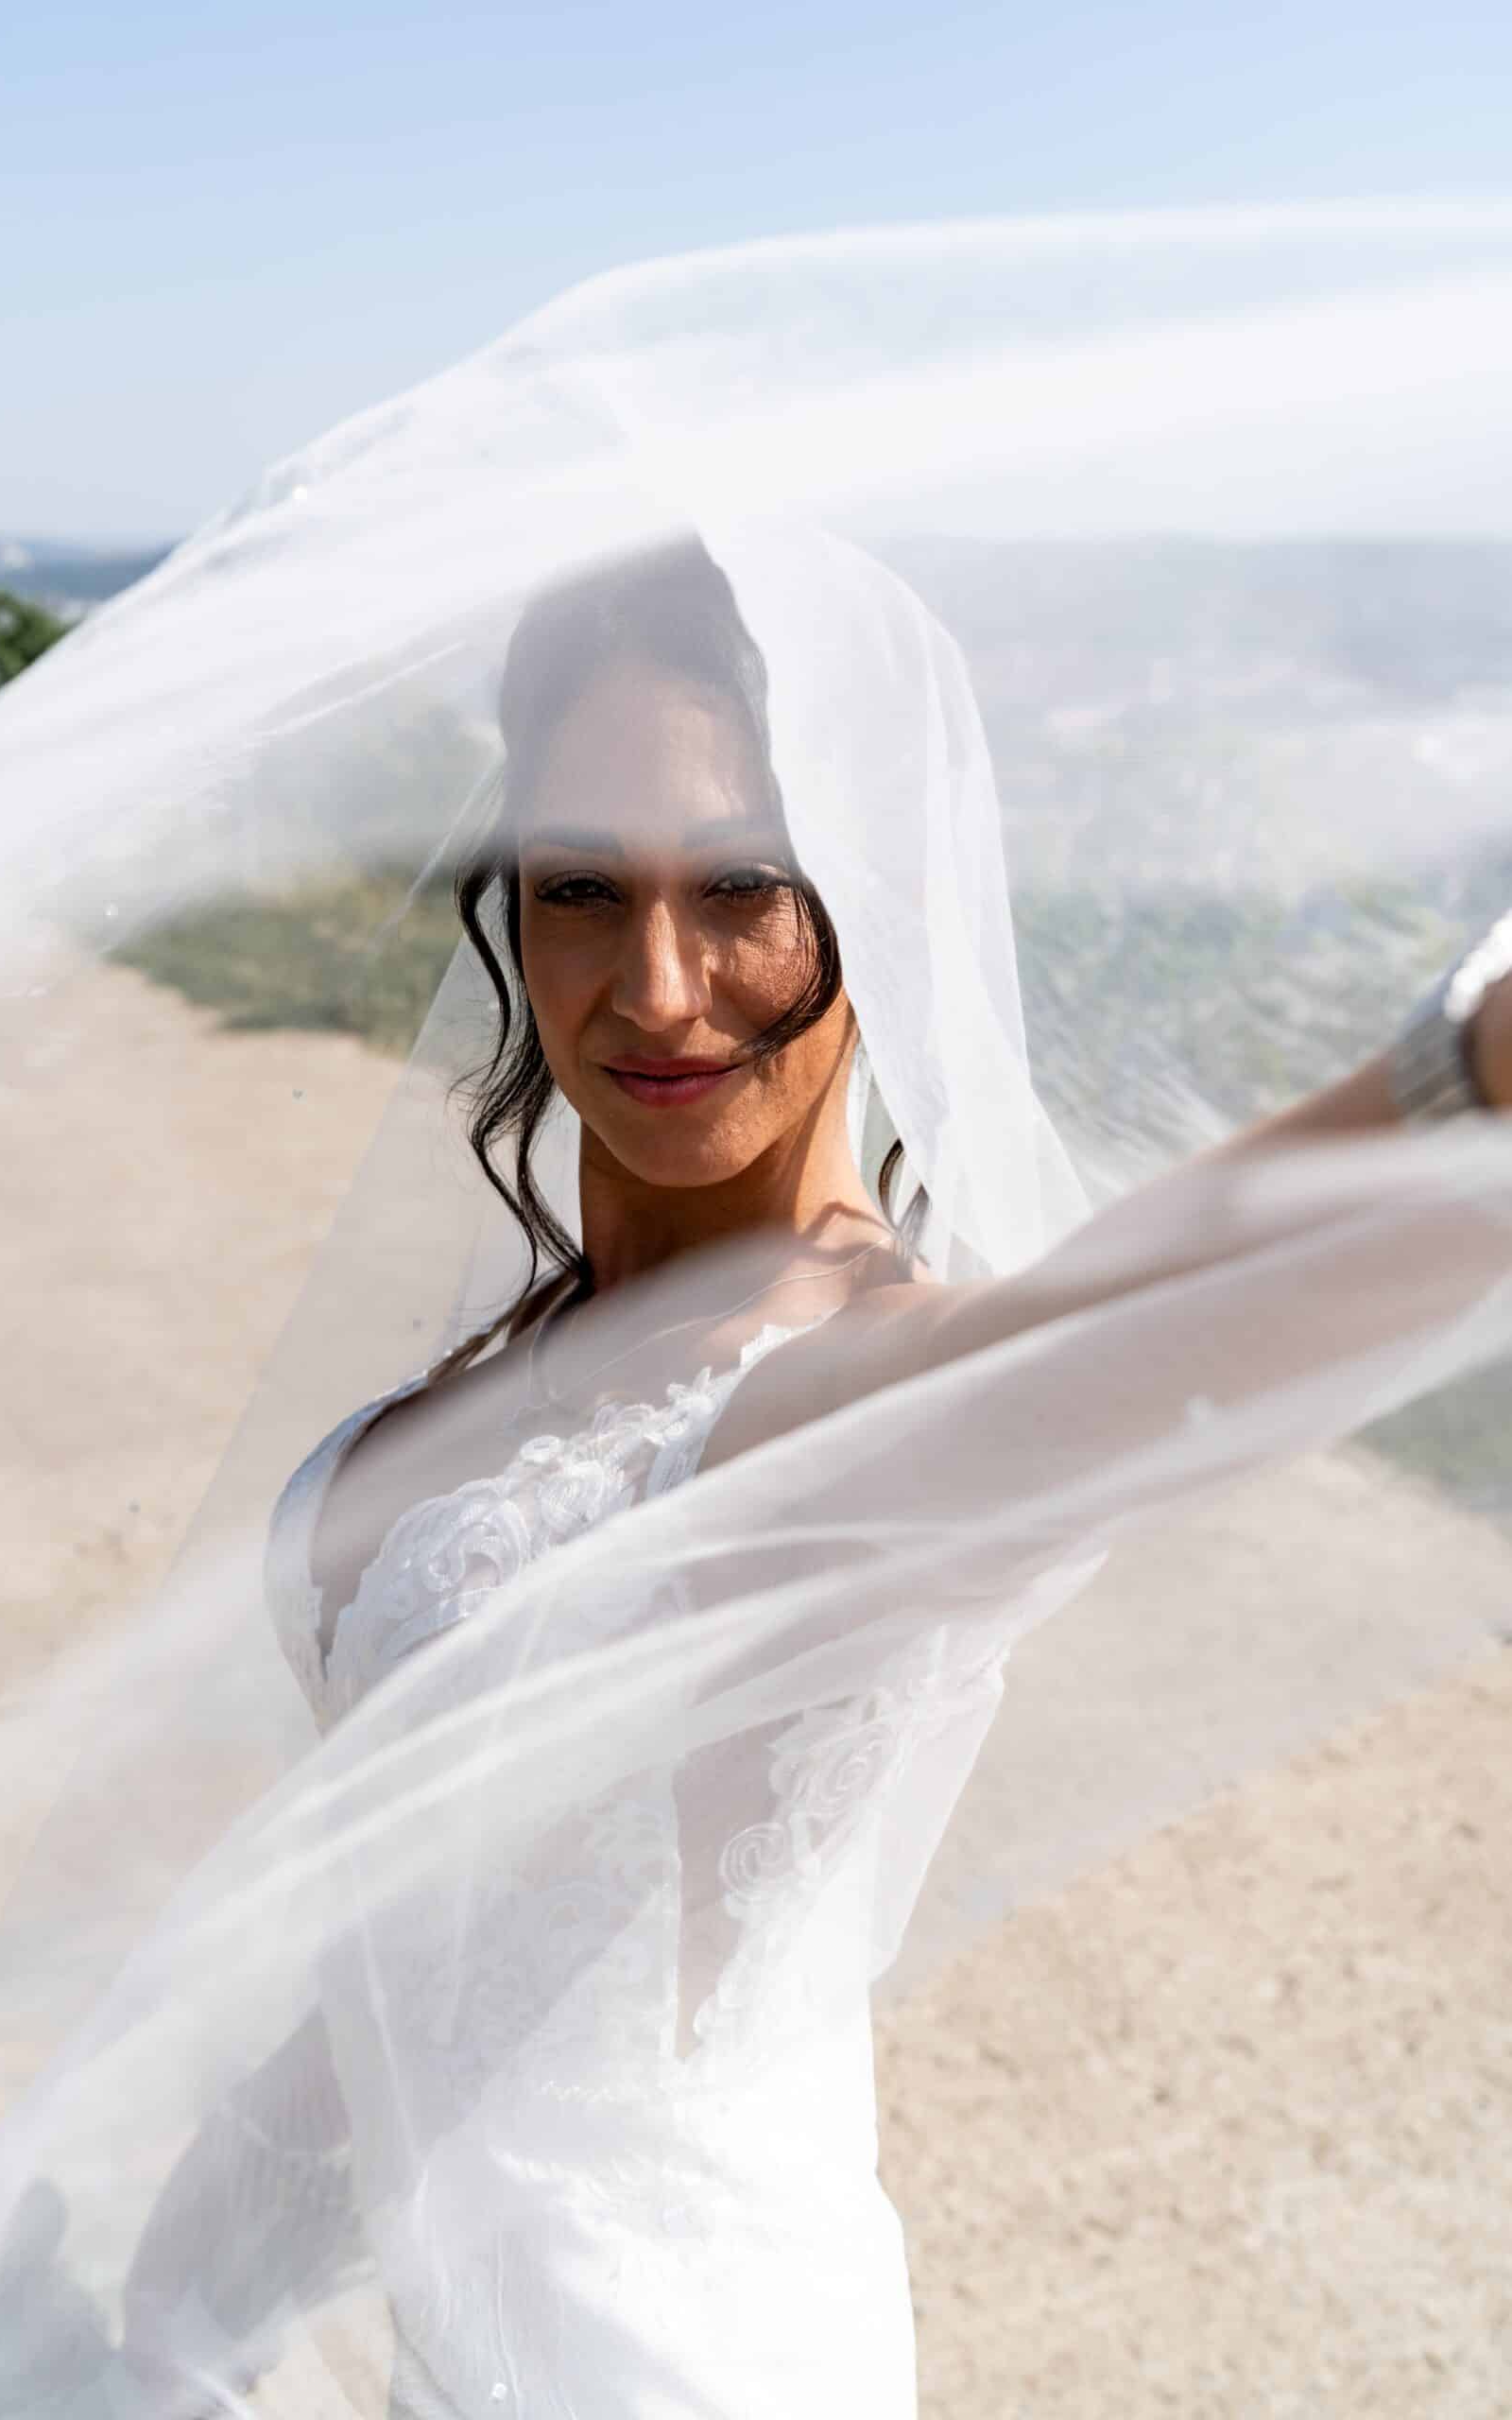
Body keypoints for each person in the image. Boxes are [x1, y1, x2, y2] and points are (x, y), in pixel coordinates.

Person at [243, 537, 1512, 2419]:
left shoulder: (848, 1392)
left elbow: (1109, 1336)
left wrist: (1463, 1076)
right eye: (583, 883)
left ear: (882, 892)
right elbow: (405, 1947)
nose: (658, 984)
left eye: (743, 884)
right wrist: (161, 2302)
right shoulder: (499, 1365)